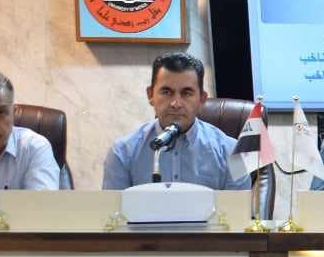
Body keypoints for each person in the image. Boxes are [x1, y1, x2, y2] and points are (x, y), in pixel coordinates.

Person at [102, 52, 249, 190]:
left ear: (202, 99)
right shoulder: (122, 152)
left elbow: (239, 207)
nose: (176, 103)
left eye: (186, 93)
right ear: (150, 95)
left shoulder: (233, 153)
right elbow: (112, 208)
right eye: (166, 92)